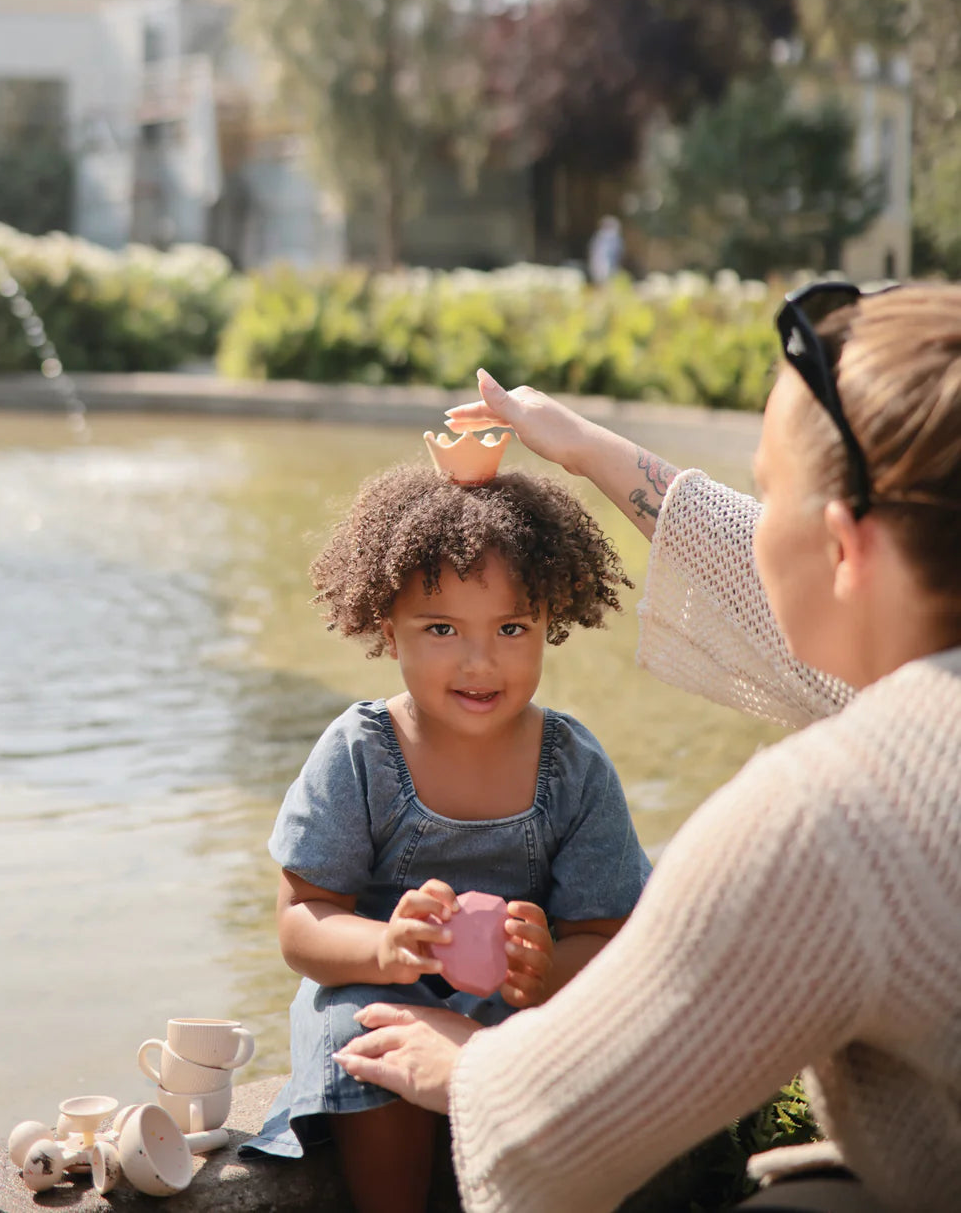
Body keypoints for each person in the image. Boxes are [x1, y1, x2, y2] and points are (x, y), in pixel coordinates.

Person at [334, 283, 961, 1213]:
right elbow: (785, 592)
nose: (755, 528)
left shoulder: (835, 814)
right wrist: (585, 449)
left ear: (840, 547)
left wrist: (475, 1070)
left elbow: (558, 1139)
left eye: (769, 491)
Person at [240, 463, 653, 1213]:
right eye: (440, 629)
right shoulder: (360, 753)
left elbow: (607, 929)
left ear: (549, 622)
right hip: (378, 994)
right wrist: (385, 949)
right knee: (365, 1033)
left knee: (571, 1043)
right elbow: (302, 919)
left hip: (512, 1007)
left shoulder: (573, 766)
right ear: (383, 626)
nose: (479, 661)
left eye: (511, 628)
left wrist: (547, 970)